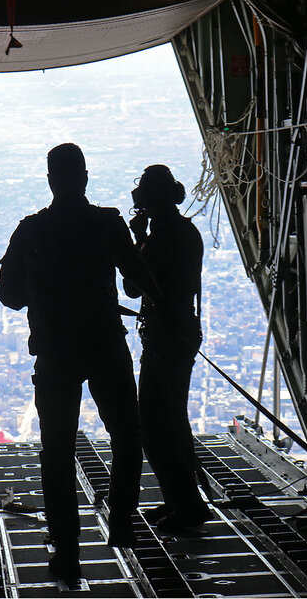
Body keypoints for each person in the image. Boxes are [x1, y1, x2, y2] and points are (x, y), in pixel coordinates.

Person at [0, 143, 161, 582]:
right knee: (128, 436)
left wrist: (44, 291)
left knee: (58, 453)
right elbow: (138, 282)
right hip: (106, 344)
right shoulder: (107, 223)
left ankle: (67, 550)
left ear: (51, 180)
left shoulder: (31, 231)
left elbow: (8, 296)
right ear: (84, 177)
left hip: (55, 350)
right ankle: (123, 522)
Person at [124, 164, 212, 532]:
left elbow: (132, 286)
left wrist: (136, 241)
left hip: (166, 337)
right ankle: (180, 501)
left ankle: (187, 505)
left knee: (157, 423)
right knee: (171, 419)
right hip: (179, 332)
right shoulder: (185, 230)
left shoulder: (160, 237)